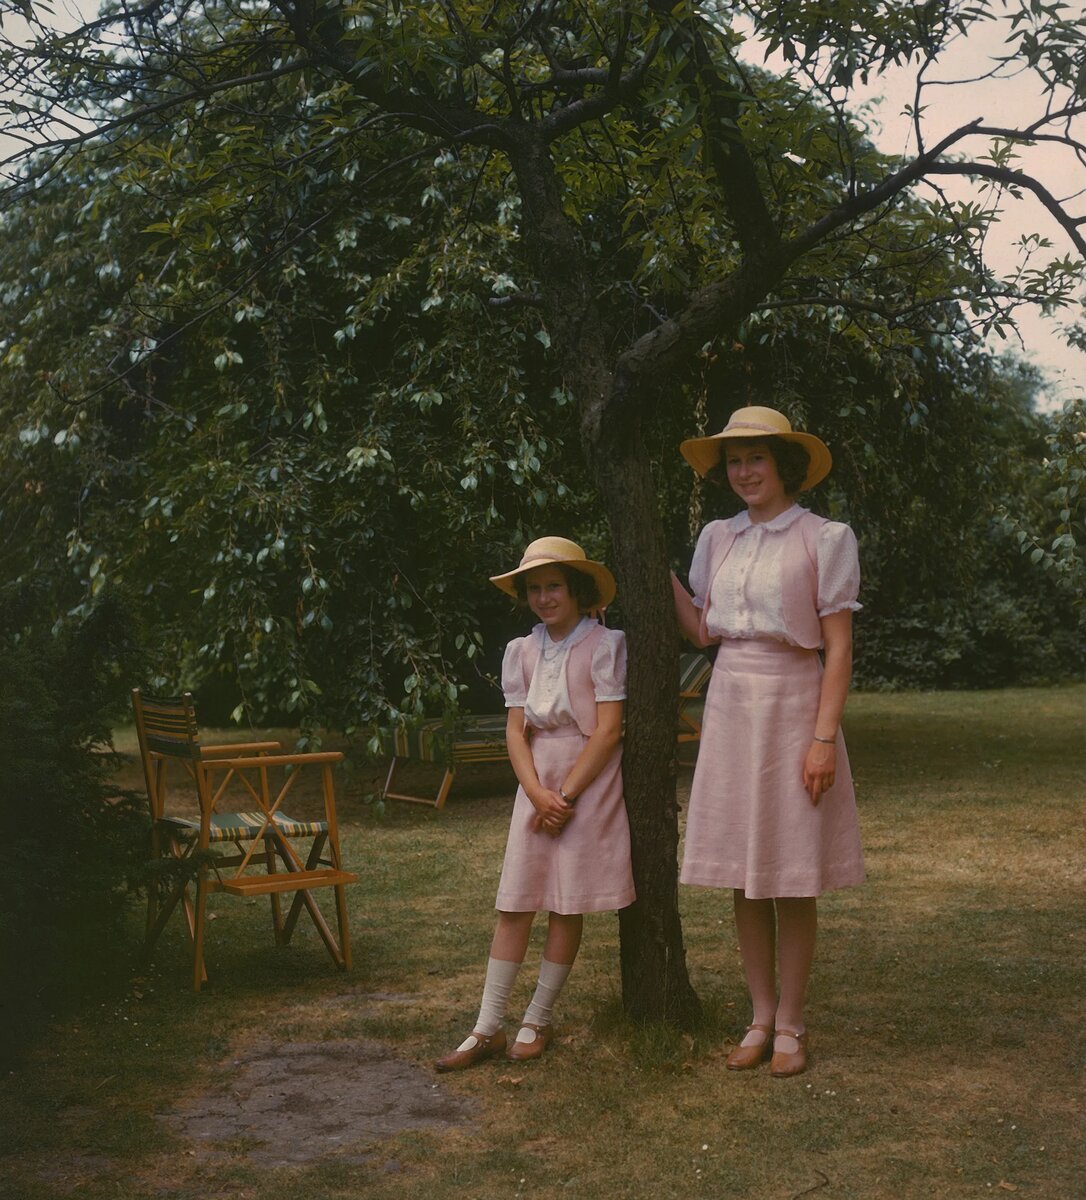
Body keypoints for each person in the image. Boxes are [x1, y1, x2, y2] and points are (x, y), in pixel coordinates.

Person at [671, 405, 864, 1077]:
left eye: (756, 458)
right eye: (734, 460)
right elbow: (704, 631)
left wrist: (822, 738)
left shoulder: (824, 538)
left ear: (784, 465)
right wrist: (653, 573)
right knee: (744, 870)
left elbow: (838, 650)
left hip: (794, 703)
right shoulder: (716, 537)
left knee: (790, 872)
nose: (745, 471)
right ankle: (758, 1015)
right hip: (731, 701)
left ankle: (791, 1023)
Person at [435, 536, 635, 1071]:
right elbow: (515, 731)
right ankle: (486, 1026)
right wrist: (536, 793)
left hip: (585, 780)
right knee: (517, 901)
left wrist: (564, 796)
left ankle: (538, 1017)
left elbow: (609, 730)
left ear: (577, 589)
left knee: (566, 901)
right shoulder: (521, 651)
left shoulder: (604, 644)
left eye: (554, 586)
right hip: (537, 780)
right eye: (535, 589)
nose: (545, 598)